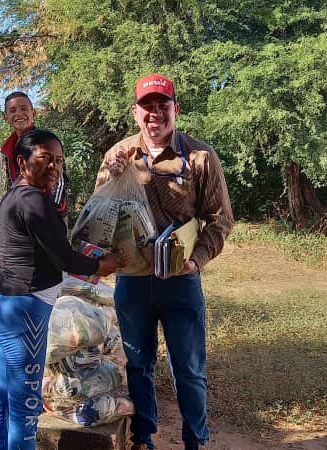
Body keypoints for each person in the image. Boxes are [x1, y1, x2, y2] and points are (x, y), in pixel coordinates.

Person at [95, 74, 234, 450]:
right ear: (135, 112)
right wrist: (111, 178)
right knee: (138, 363)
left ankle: (195, 440)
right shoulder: (118, 154)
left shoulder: (200, 156)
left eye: (162, 105)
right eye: (147, 106)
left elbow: (220, 219)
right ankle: (143, 437)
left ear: (176, 109)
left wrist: (197, 260)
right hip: (133, 280)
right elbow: (99, 217)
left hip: (180, 280)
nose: (154, 113)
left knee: (188, 367)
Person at [0, 129, 120, 450]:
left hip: (4, 303)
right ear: (22, 162)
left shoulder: (17, 195)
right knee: (26, 405)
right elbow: (64, 258)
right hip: (25, 309)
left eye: (59, 161)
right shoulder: (34, 200)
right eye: (45, 158)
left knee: (2, 396)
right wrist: (102, 265)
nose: (54, 167)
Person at [0, 92, 70, 222]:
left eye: (24, 109)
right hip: (24, 212)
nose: (19, 114)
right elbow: (11, 182)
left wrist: (51, 212)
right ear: (6, 117)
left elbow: (60, 180)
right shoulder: (9, 148)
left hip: (50, 213)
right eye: (13, 111)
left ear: (34, 113)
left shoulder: (45, 141)